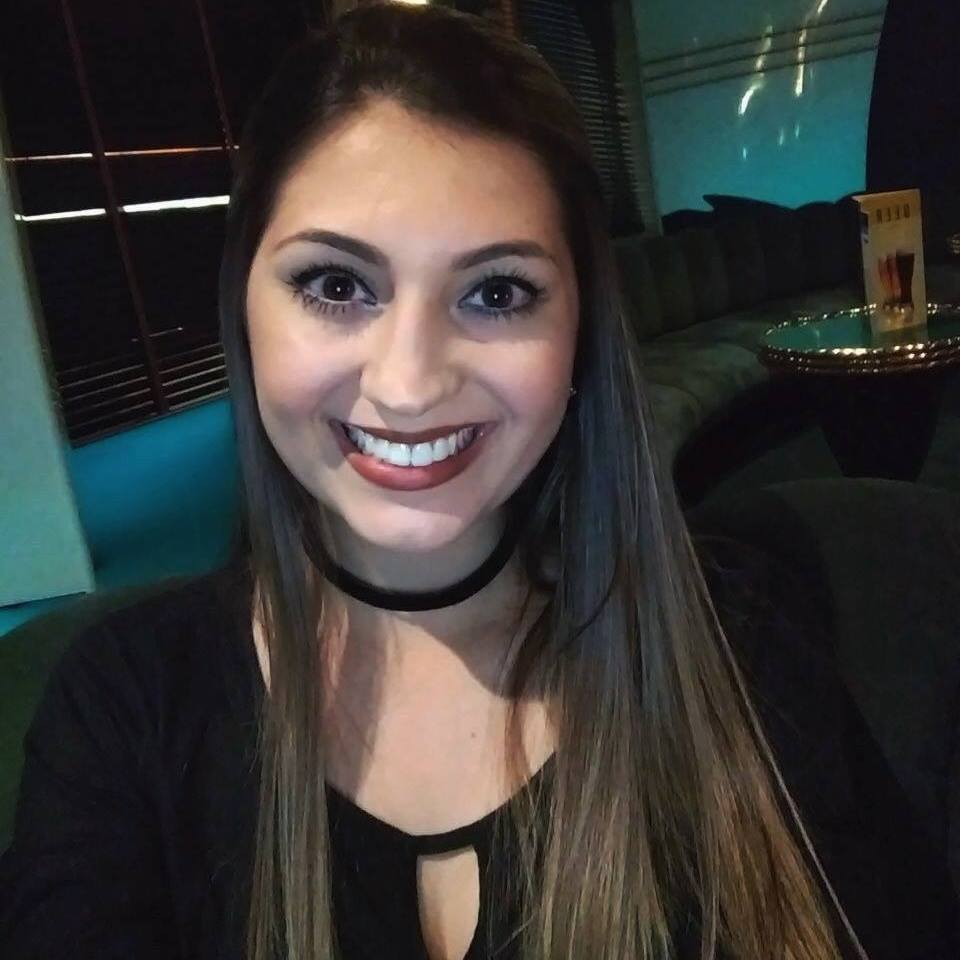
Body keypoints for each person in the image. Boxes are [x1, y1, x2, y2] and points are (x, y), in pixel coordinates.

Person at [0, 3, 957, 959]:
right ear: (243, 306)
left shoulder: (735, 644)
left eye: (496, 293)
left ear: (580, 329)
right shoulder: (123, 712)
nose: (409, 386)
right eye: (336, 286)